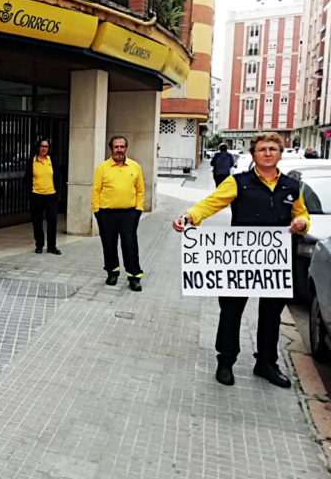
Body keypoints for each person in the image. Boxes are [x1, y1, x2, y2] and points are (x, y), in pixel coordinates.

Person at [172, 132, 309, 388]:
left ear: (280, 153)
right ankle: (225, 362)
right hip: (239, 259)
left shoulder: (291, 186)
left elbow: (301, 215)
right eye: (262, 149)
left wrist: (301, 223)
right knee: (231, 311)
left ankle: (266, 363)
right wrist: (189, 217)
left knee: (271, 314)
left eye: (272, 149)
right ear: (253, 154)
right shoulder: (238, 182)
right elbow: (210, 203)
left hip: (274, 263)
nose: (268, 153)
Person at [91, 136, 146, 292]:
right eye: (116, 147)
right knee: (109, 244)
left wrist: (138, 210)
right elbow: (95, 191)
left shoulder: (135, 167)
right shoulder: (102, 168)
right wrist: (97, 212)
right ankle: (112, 272)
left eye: (122, 146)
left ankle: (134, 277)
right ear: (111, 149)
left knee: (130, 244)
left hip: (129, 214)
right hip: (106, 214)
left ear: (126, 148)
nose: (119, 150)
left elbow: (140, 190)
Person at [23, 138, 62, 254]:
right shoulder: (32, 161)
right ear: (38, 147)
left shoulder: (52, 160)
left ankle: (52, 246)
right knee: (37, 221)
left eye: (46, 146)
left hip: (51, 195)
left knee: (52, 221)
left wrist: (57, 191)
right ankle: (39, 245)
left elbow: (57, 176)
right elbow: (27, 178)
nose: (44, 148)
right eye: (42, 146)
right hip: (36, 196)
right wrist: (30, 192)